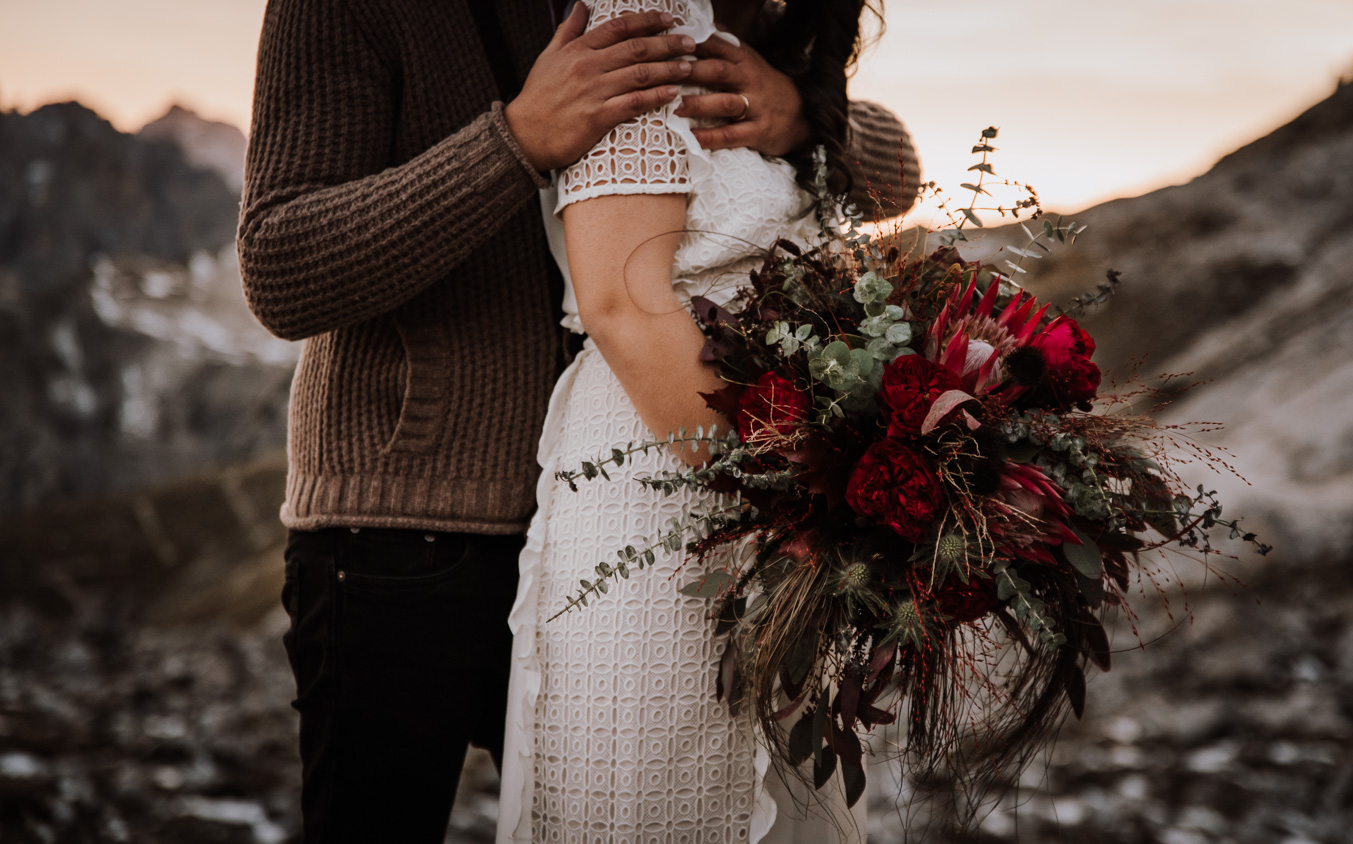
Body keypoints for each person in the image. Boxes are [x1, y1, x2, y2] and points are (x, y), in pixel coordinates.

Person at [235, 1, 918, 842]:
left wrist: (806, 116)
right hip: (401, 538)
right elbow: (280, 267)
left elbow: (897, 173)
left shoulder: (684, 3)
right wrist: (514, 141)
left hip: (644, 539)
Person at [499, 1, 912, 842]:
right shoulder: (637, 17)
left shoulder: (765, 37)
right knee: (661, 784)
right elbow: (626, 303)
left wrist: (805, 115)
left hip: (779, 468)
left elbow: (896, 178)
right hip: (663, 470)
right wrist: (812, 512)